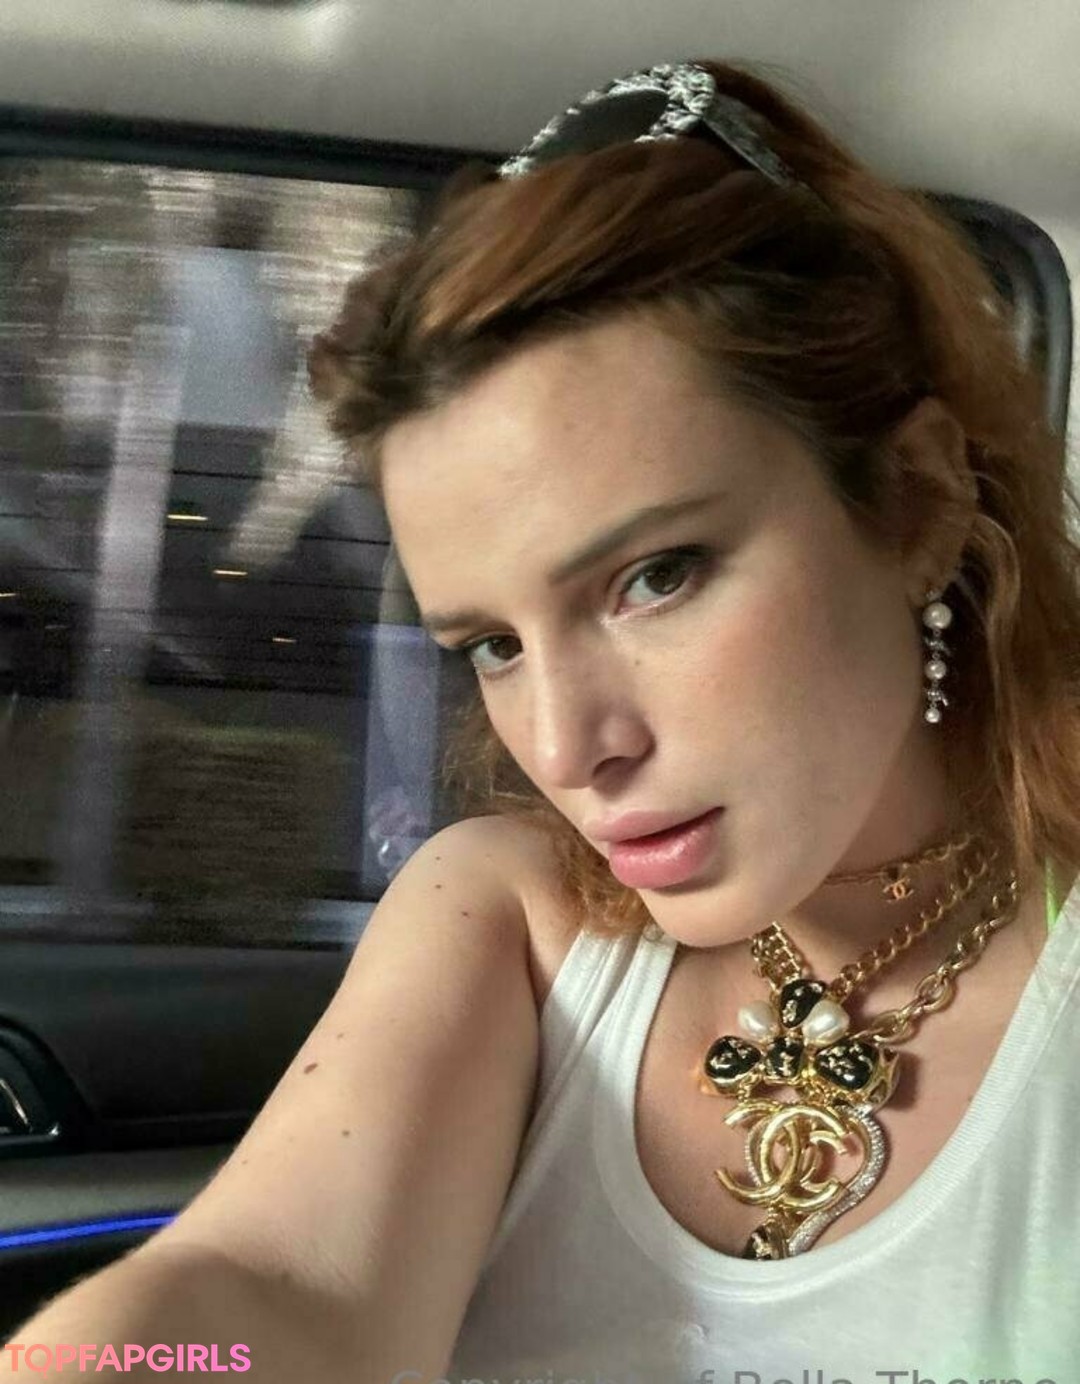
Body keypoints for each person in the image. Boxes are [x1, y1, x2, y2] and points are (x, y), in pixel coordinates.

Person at [8, 58, 1080, 1384]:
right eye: (494, 646)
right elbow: (281, 1287)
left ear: (914, 503)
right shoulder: (508, 920)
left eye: (655, 577)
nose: (571, 750)